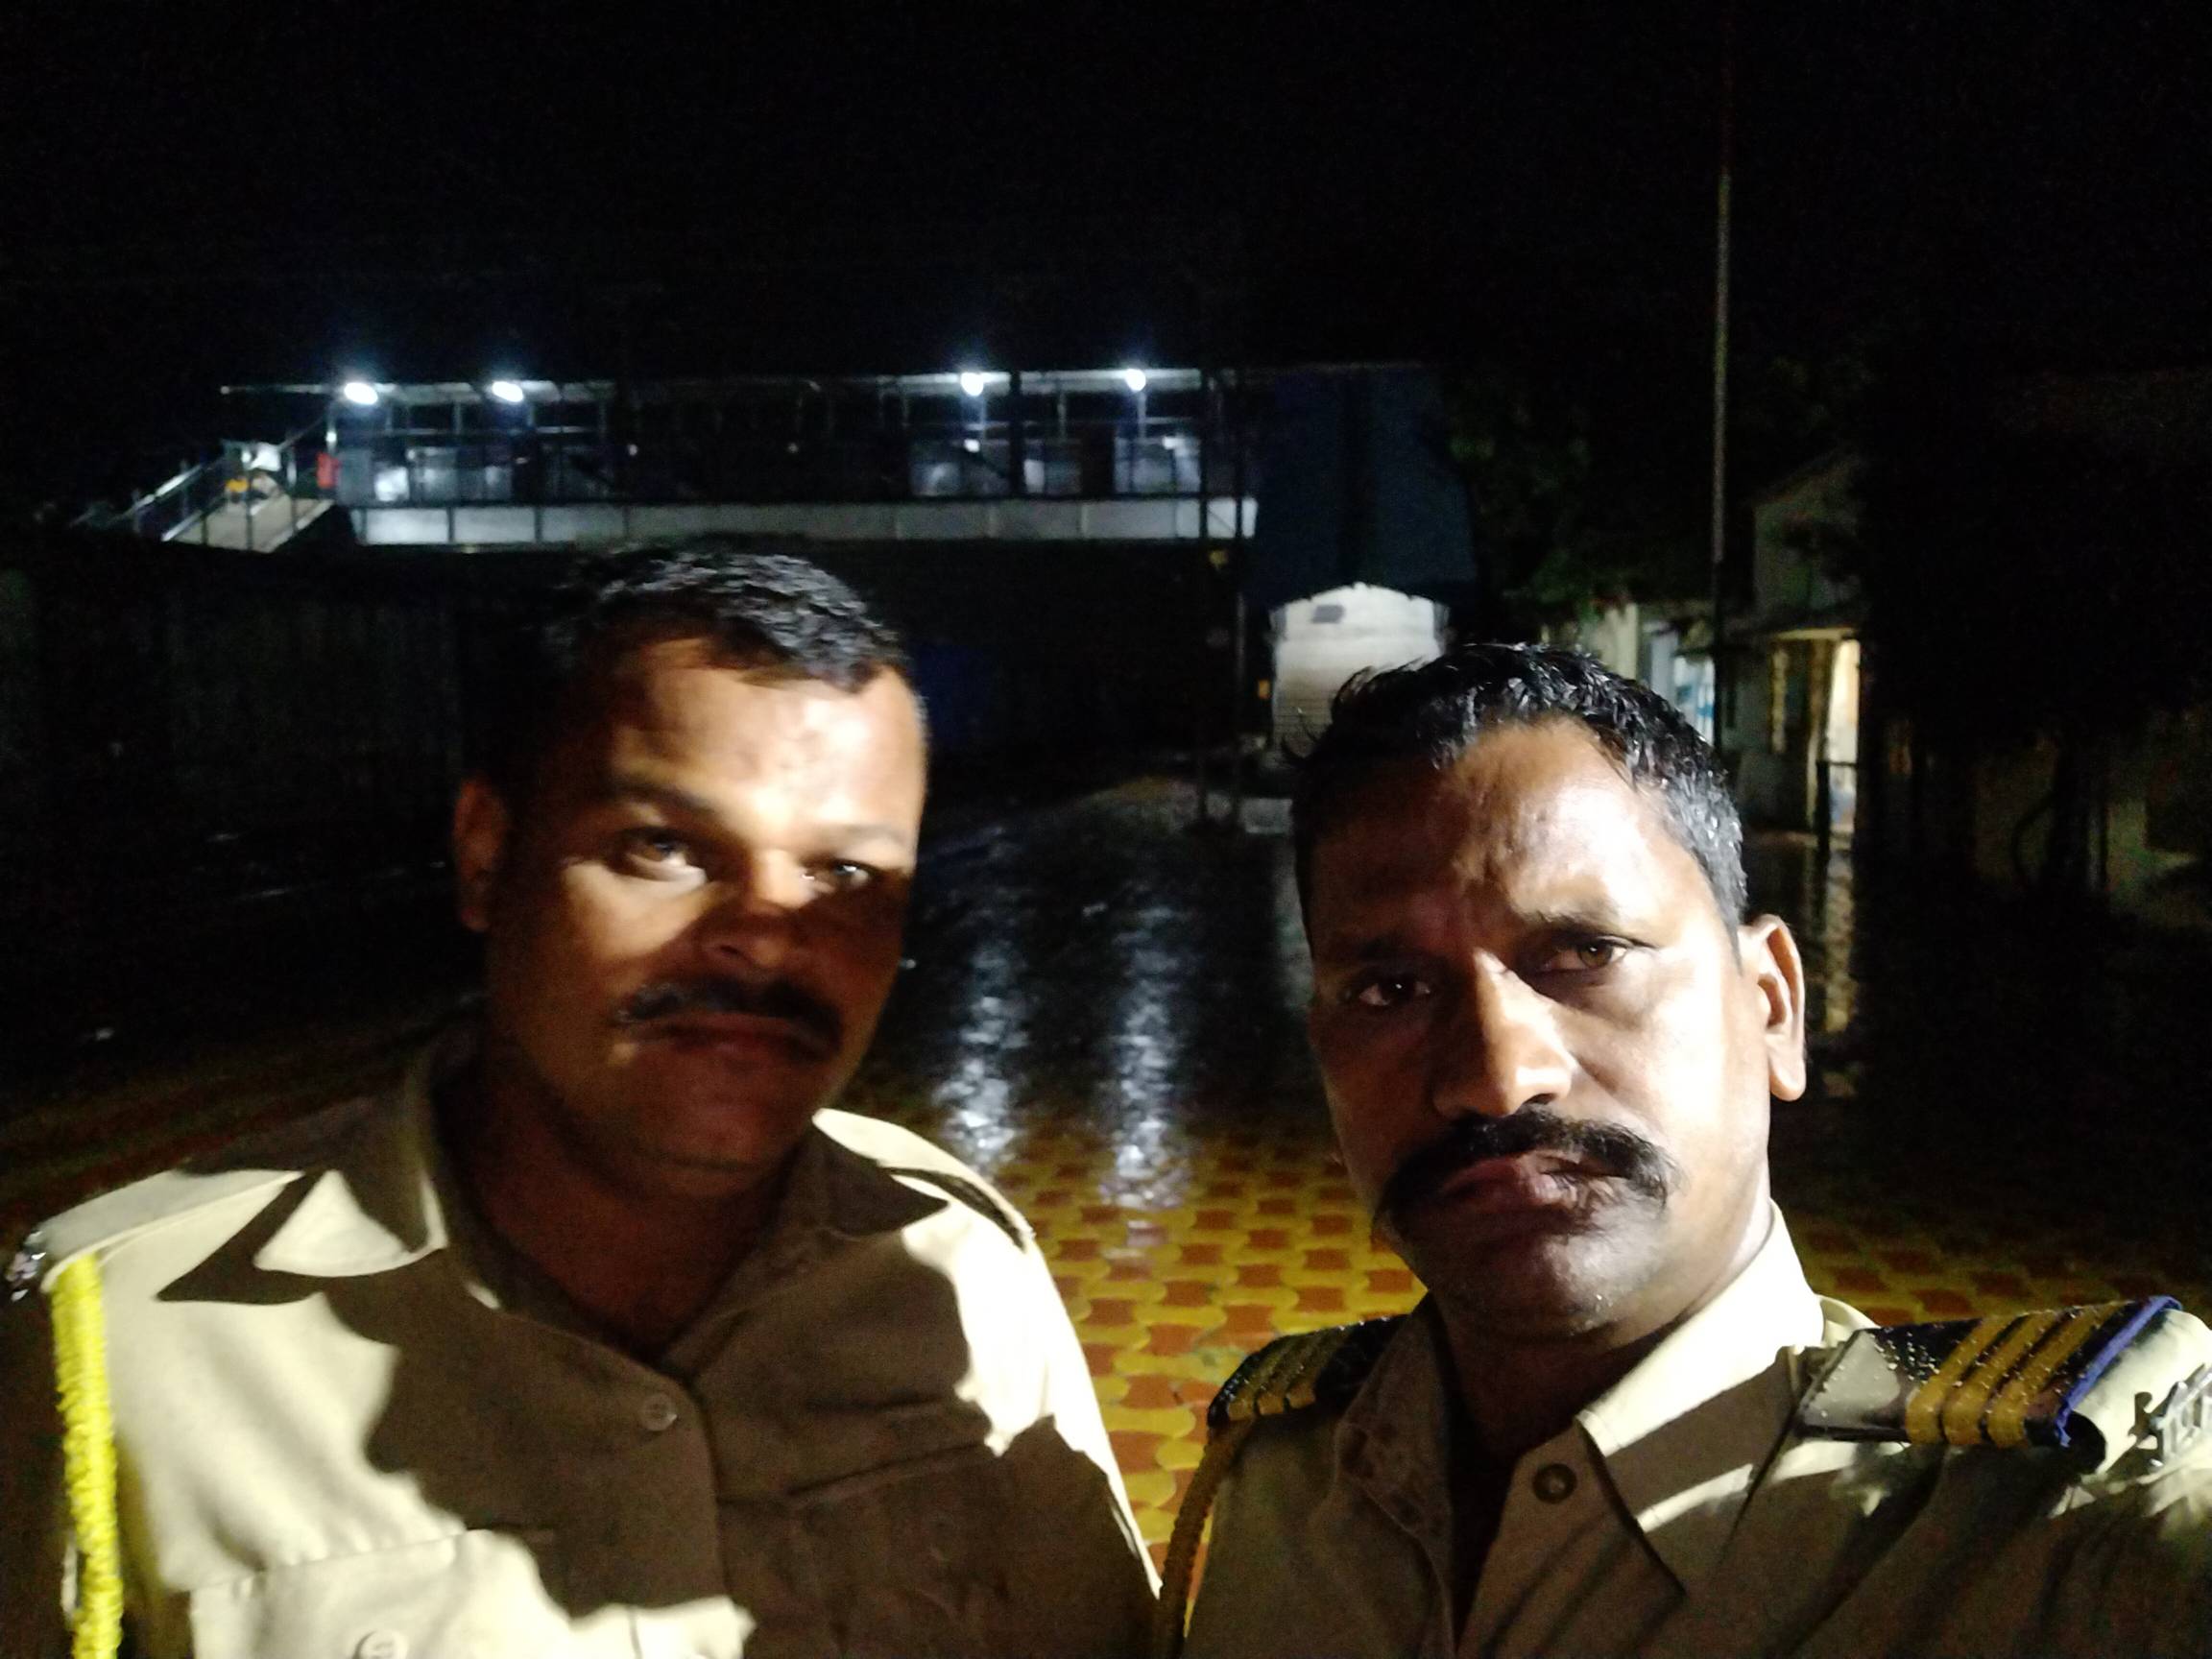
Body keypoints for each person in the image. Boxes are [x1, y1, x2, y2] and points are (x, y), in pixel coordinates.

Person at [1, 541, 1155, 1658]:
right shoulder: (123, 1339)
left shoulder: (961, 1268)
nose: (764, 940)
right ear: (486, 856)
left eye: (843, 874)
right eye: (665, 848)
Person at [1163, 643, 2212, 1659]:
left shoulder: (2067, 1543)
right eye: (1390, 991)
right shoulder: (1278, 1480)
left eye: (1586, 951)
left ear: (1772, 1007)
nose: (1496, 1077)